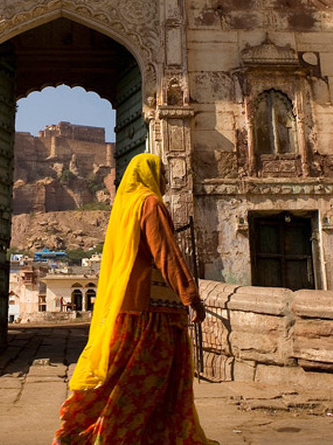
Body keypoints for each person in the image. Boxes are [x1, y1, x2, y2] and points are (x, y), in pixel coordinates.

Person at [53, 153, 217, 445]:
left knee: (118, 379)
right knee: (147, 383)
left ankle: (83, 430)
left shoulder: (125, 206)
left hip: (125, 308)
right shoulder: (150, 203)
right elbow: (165, 252)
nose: (166, 180)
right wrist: (190, 294)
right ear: (150, 175)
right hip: (152, 313)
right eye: (162, 173)